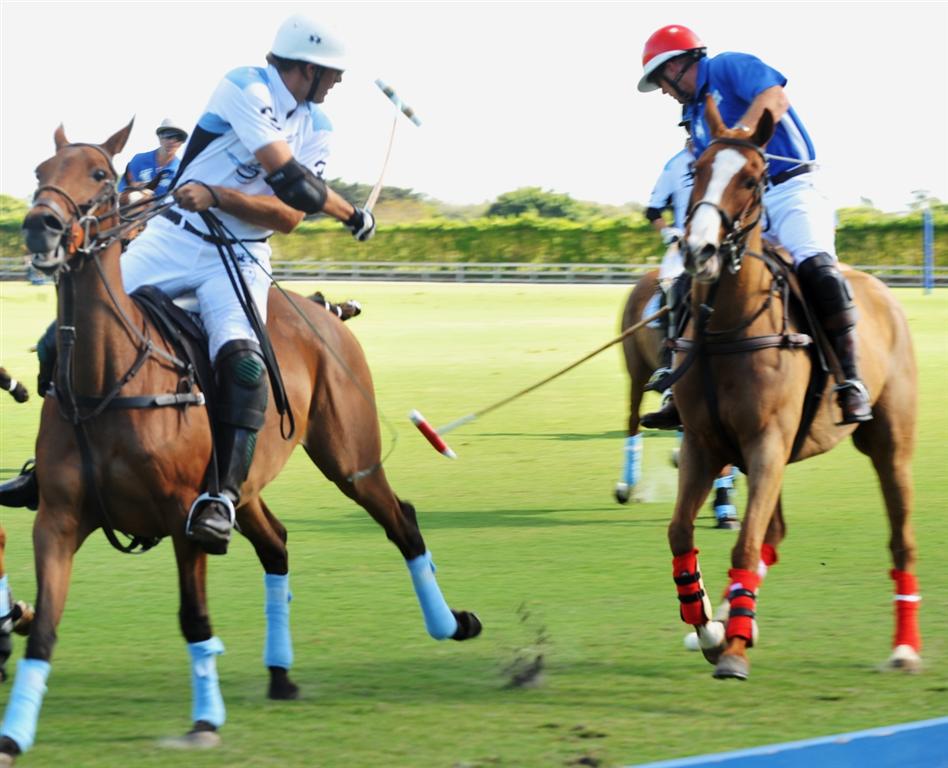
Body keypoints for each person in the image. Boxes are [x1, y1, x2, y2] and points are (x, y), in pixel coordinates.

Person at [119, 14, 377, 555]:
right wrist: (352, 214)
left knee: (244, 364)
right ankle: (46, 467)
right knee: (83, 320)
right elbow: (289, 179)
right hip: (174, 236)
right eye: (331, 72)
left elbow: (289, 215)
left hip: (238, 257)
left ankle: (222, 498)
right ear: (305, 68)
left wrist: (220, 196)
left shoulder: (319, 126)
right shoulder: (246, 86)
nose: (337, 81)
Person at [636, 24, 872, 430]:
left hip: (794, 189)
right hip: (745, 206)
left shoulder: (728, 67)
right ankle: (681, 388)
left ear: (676, 66)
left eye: (661, 80)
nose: (663, 91)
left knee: (818, 270)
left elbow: (774, 97)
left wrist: (739, 135)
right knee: (693, 280)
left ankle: (851, 381)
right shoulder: (693, 115)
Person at [118, 118, 189, 197]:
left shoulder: (181, 171)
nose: (172, 141)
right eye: (168, 135)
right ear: (159, 137)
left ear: (182, 143)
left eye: (179, 138)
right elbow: (121, 191)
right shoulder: (139, 160)